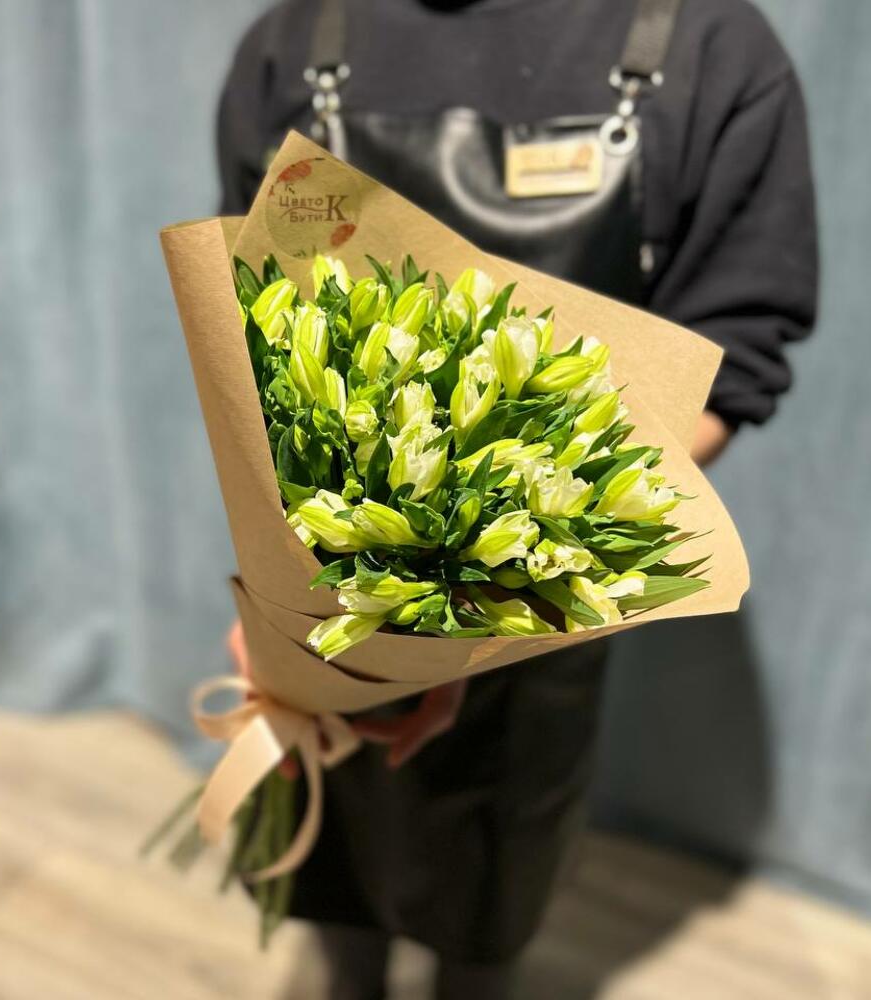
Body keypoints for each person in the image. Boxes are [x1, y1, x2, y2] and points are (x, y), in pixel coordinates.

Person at [216, 0, 818, 996]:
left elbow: (736, 350)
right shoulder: (294, 40)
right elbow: (254, 325)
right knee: (331, 860)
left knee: (488, 890)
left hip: (547, 598)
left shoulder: (710, 48)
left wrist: (483, 593)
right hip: (326, 585)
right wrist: (275, 595)